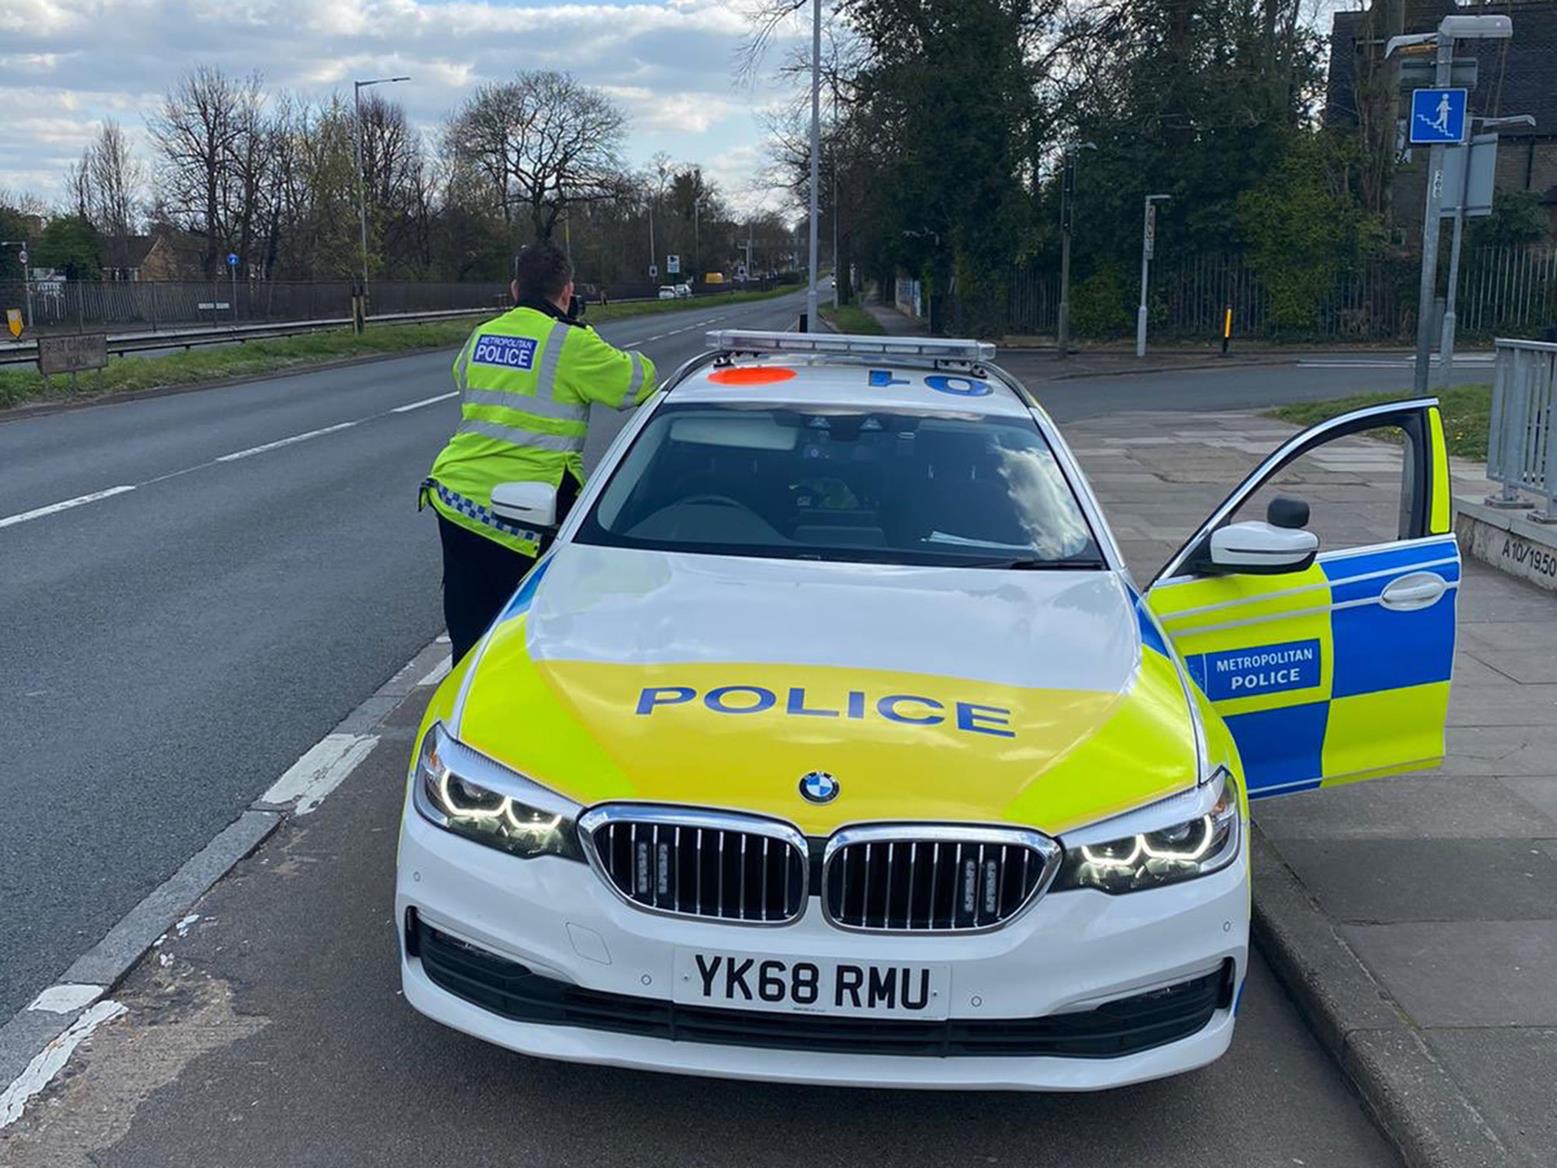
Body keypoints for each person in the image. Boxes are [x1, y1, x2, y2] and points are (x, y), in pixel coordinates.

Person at [422, 242, 657, 662]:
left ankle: (465, 709)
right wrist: (581, 330)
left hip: (456, 497)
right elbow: (638, 383)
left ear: (515, 289)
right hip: (521, 515)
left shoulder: (482, 335)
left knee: (469, 636)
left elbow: (464, 377)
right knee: (527, 641)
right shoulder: (570, 343)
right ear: (567, 292)